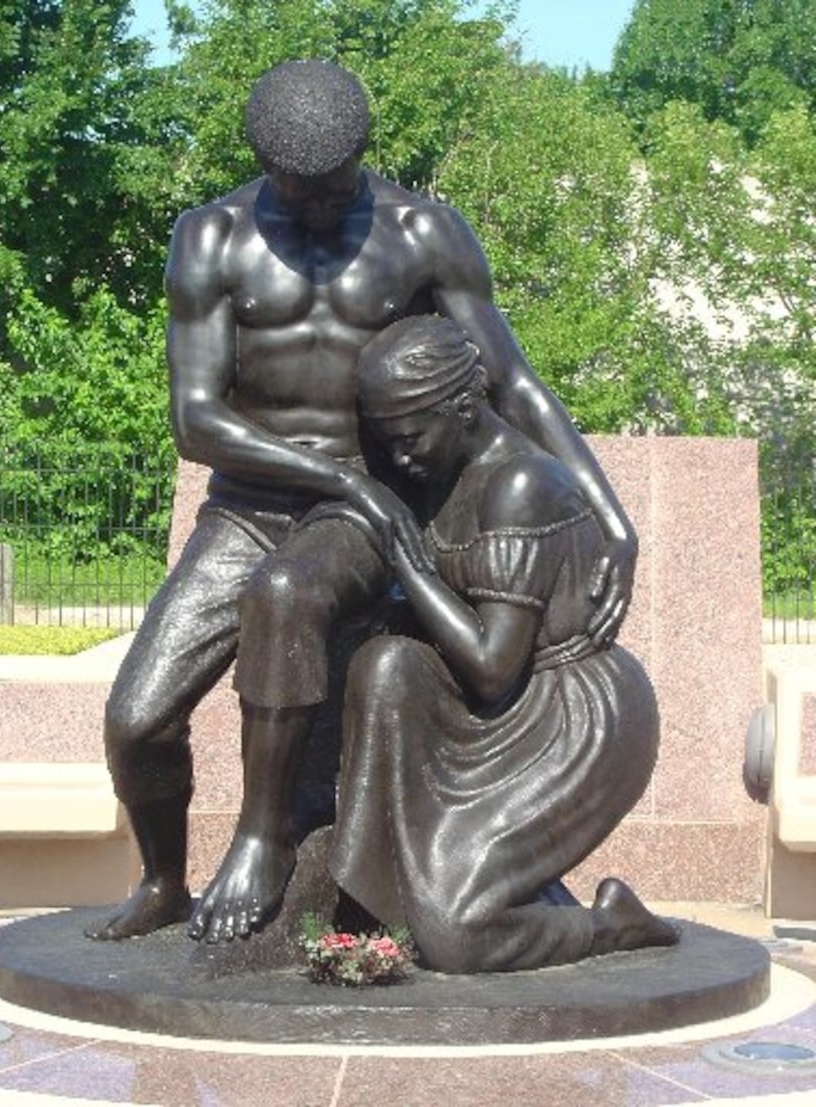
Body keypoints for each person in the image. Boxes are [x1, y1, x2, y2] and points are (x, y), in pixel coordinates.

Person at [87, 59, 639, 945]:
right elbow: (195, 419)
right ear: (267, 170)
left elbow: (513, 383)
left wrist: (610, 516)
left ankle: (263, 836)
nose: (317, 212)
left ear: (361, 159)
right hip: (249, 503)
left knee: (288, 595)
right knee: (136, 719)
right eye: (298, 195)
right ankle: (161, 879)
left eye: (334, 191)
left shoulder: (424, 232)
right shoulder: (211, 239)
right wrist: (327, 476)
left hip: (368, 504)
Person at [328, 315, 679, 972]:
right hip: (496, 714)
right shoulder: (442, 470)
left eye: (410, 437)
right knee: (385, 664)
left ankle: (611, 923)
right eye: (388, 441)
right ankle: (385, 905)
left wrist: (408, 565)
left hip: (573, 715)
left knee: (457, 936)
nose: (400, 457)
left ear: (464, 408)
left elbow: (492, 665)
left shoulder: (519, 484)